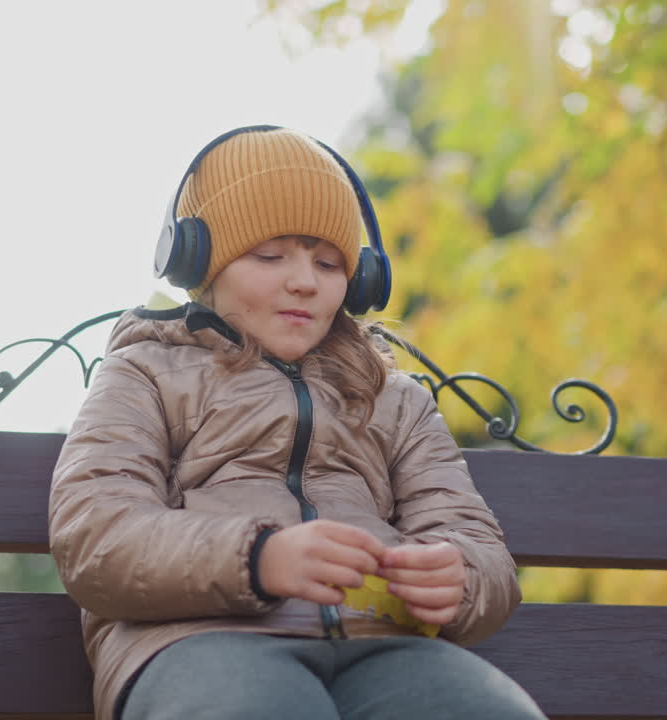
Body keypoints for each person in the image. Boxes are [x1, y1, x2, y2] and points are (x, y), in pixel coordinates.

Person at [48, 125, 544, 720]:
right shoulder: (146, 373)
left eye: (330, 263)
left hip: (387, 645)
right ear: (199, 262)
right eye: (270, 256)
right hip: (203, 639)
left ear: (359, 280)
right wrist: (259, 558)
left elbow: (477, 543)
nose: (306, 281)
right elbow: (96, 533)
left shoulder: (394, 399)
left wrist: (458, 575)